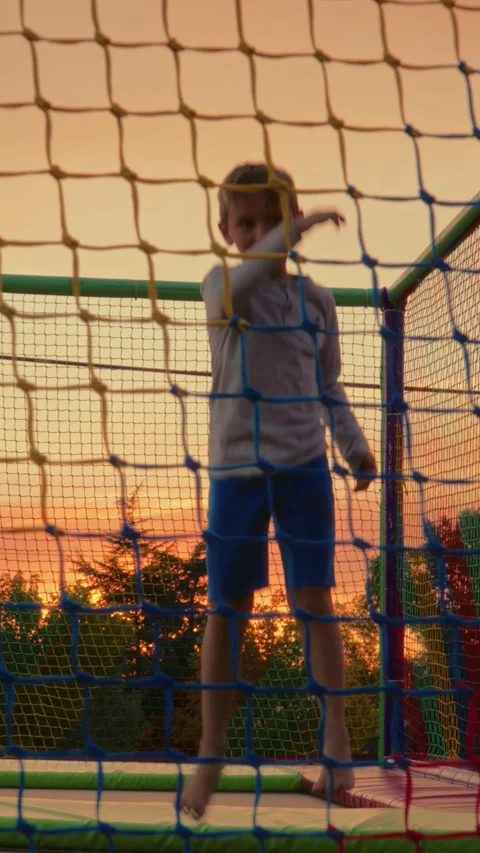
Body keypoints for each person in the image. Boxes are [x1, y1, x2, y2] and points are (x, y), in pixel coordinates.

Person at [181, 163, 377, 820]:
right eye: (250, 223)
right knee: (227, 604)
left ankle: (337, 739)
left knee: (315, 601)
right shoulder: (223, 285)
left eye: (274, 219)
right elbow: (250, 273)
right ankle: (211, 748)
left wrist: (352, 446)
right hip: (237, 469)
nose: (263, 232)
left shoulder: (316, 302)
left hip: (301, 470)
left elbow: (329, 386)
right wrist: (294, 229)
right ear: (226, 230)